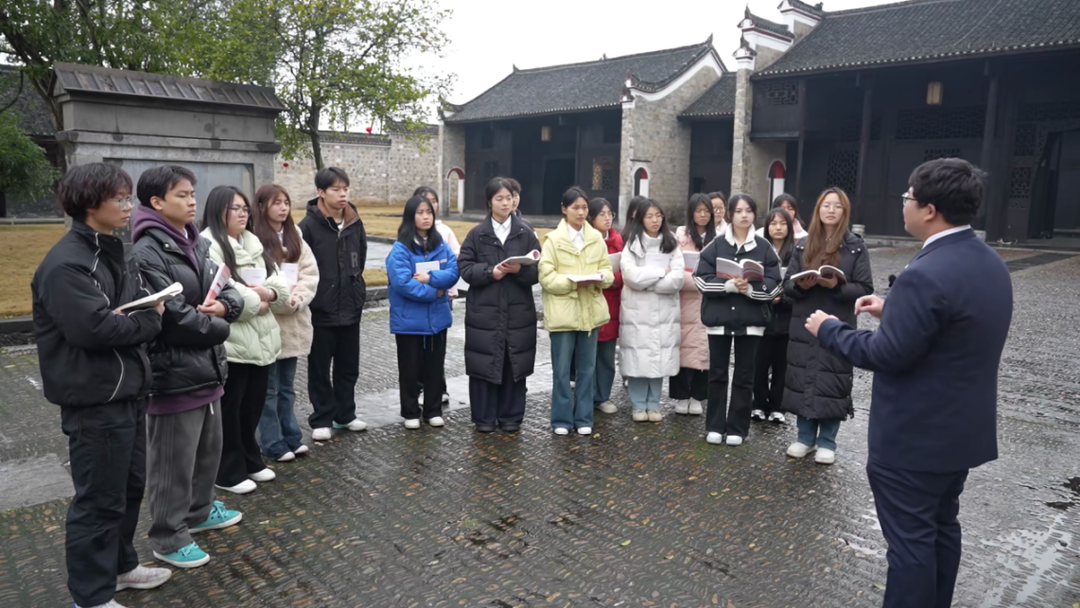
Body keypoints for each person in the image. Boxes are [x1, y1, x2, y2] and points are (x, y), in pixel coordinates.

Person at [806, 158, 1012, 608]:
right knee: (941, 529)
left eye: (908, 197)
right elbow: (955, 325)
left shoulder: (926, 272)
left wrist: (830, 329)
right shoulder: (989, 261)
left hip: (914, 440)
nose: (904, 204)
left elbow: (887, 354)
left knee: (911, 545)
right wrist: (894, 309)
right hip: (959, 434)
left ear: (930, 210)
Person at [31, 163, 170, 608]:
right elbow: (93, 329)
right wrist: (149, 320)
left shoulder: (113, 250)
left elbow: (127, 311)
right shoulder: (67, 264)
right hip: (95, 399)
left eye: (129, 198)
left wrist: (136, 317)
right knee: (98, 500)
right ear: (90, 203)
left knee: (128, 489)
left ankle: (121, 567)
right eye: (121, 199)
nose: (129, 206)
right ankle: (90, 596)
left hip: (128, 393)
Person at [129, 165, 245, 570]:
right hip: (172, 374)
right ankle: (168, 535)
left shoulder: (196, 242)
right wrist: (221, 326)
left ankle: (199, 510)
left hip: (207, 368)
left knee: (206, 452)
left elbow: (228, 289)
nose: (192, 201)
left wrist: (225, 308)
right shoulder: (147, 252)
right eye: (182, 195)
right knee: (172, 463)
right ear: (156, 202)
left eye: (193, 193)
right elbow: (172, 318)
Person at [201, 186, 289, 494]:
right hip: (233, 343)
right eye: (234, 208)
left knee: (252, 406)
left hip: (261, 340)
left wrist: (269, 293)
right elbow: (224, 291)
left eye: (244, 208)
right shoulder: (209, 245)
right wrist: (258, 300)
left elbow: (279, 280)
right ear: (218, 211)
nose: (242, 214)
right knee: (231, 409)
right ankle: (227, 471)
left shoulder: (253, 241)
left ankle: (251, 459)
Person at [782, 187, 873, 465]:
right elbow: (787, 286)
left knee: (833, 377)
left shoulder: (855, 246)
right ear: (818, 210)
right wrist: (801, 285)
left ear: (845, 211)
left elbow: (864, 287)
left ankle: (827, 441)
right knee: (803, 374)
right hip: (804, 319)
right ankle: (805, 437)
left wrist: (836, 286)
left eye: (837, 206)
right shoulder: (802, 244)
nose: (831, 210)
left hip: (837, 320)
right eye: (826, 205)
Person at [693, 194, 782, 446]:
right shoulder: (716, 245)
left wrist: (750, 290)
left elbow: (775, 283)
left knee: (745, 375)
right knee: (717, 373)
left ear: (754, 214)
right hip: (719, 318)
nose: (744, 215)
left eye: (749, 211)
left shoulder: (764, 247)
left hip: (751, 320)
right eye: (739, 211)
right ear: (730, 214)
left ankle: (737, 428)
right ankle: (714, 426)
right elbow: (700, 278)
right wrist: (729, 286)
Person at [458, 177, 542, 432]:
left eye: (509, 198)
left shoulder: (525, 233)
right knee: (484, 362)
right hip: (485, 312)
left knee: (513, 362)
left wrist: (520, 270)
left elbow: (538, 271)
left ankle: (511, 417)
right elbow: (465, 267)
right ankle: (484, 418)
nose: (505, 203)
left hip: (518, 311)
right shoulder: (477, 234)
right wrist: (489, 272)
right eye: (499, 199)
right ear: (489, 202)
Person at [299, 167, 368, 441]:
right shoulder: (307, 227)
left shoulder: (354, 222)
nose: (342, 194)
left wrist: (355, 289)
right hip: (321, 310)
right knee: (319, 368)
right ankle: (321, 418)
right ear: (321, 192)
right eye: (336, 189)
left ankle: (345, 414)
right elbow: (302, 267)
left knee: (348, 366)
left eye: (345, 189)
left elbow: (360, 258)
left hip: (350, 305)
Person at [539, 186, 615, 436]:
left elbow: (608, 272)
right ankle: (561, 419)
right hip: (563, 313)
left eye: (584, 208)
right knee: (562, 370)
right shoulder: (553, 240)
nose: (581, 212)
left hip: (590, 312)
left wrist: (600, 277)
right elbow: (546, 277)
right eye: (575, 208)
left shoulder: (596, 239)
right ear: (564, 210)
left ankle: (584, 418)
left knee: (587, 369)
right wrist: (573, 282)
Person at [251, 184, 318, 463]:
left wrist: (297, 299)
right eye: (276, 202)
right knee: (268, 388)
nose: (283, 208)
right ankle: (271, 441)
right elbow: (254, 278)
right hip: (267, 321)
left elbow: (309, 273)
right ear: (262, 206)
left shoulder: (295, 235)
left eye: (286, 202)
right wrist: (278, 298)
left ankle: (291, 435)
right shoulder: (253, 239)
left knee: (287, 387)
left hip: (293, 322)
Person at [385, 195, 459, 429]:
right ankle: (410, 412)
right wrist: (435, 292)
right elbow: (402, 283)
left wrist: (430, 278)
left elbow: (453, 271)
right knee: (409, 367)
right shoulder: (400, 249)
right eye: (420, 213)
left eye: (429, 212)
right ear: (410, 217)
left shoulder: (440, 244)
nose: (426, 217)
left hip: (437, 319)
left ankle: (433, 410)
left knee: (435, 366)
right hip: (409, 319)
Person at [620, 199, 684, 422]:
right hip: (637, 311)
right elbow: (630, 276)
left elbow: (677, 278)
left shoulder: (671, 242)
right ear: (641, 219)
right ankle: (638, 405)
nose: (655, 220)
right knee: (638, 357)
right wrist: (659, 272)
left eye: (658, 215)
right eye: (649, 216)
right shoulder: (632, 243)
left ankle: (654, 404)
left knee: (659, 357)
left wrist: (648, 282)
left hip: (665, 311)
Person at [671, 194, 715, 416]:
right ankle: (681, 395)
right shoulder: (680, 238)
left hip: (710, 302)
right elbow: (676, 271)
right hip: (685, 302)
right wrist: (702, 281)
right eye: (699, 211)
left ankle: (698, 395)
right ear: (691, 213)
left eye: (707, 211)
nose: (703, 215)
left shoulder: (719, 239)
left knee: (705, 350)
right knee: (682, 348)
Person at [414, 185, 457, 406]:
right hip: (418, 297)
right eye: (424, 201)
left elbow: (454, 261)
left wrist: (443, 286)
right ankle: (420, 387)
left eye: (433, 201)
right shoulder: (408, 235)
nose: (429, 206)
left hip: (442, 296)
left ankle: (439, 388)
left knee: (437, 345)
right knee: (419, 347)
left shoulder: (444, 231)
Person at [752, 207, 796, 424]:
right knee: (759, 364)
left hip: (787, 317)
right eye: (773, 223)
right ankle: (758, 404)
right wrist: (766, 296)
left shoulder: (796, 253)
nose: (778, 228)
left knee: (782, 365)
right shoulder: (759, 250)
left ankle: (778, 406)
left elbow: (800, 285)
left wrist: (783, 298)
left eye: (783, 223)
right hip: (762, 315)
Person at [587, 197, 623, 415]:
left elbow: (625, 271)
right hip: (589, 302)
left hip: (611, 306)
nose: (607, 218)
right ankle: (587, 395)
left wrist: (611, 279)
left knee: (607, 358)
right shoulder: (585, 240)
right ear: (591, 218)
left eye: (610, 214)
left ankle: (603, 396)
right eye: (602, 214)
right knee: (587, 357)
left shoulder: (618, 241)